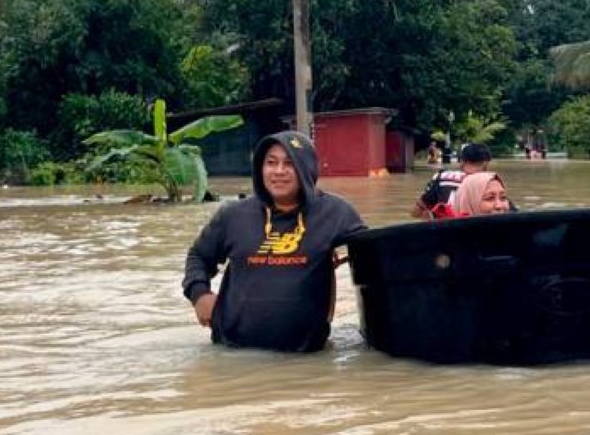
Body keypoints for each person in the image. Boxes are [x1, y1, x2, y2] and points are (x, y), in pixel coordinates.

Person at [182, 131, 366, 352]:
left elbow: (374, 257)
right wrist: (200, 295)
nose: (279, 171)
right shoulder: (233, 215)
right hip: (231, 355)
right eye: (271, 163)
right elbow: (199, 256)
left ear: (306, 169)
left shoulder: (335, 213)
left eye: (290, 163)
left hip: (304, 360)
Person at [410, 142, 491, 219]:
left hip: (442, 228)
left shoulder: (440, 177)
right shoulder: (488, 182)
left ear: (462, 162)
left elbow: (415, 212)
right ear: (486, 164)